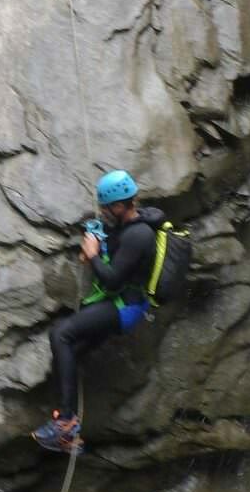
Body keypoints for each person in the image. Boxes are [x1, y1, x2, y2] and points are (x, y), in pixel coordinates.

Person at [32, 170, 163, 453]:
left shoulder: (139, 235)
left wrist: (92, 254)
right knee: (71, 349)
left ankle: (66, 423)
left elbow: (113, 279)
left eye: (107, 207)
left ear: (120, 205)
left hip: (124, 307)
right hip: (119, 302)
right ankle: (69, 432)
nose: (104, 211)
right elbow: (114, 244)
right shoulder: (128, 224)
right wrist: (97, 238)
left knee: (61, 335)